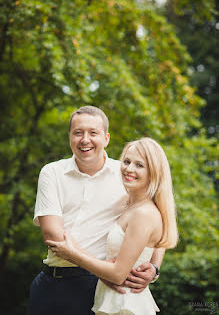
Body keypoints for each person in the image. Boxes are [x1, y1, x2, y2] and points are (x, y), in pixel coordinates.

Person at [27, 106, 166, 315]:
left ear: (106, 138)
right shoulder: (52, 172)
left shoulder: (127, 174)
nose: (85, 140)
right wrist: (105, 271)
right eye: (78, 132)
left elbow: (158, 217)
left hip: (103, 288)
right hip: (55, 285)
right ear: (70, 137)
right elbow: (53, 235)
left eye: (93, 133)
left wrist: (154, 267)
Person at [46, 137, 178, 315]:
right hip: (110, 299)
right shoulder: (130, 204)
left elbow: (118, 274)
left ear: (154, 172)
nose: (129, 169)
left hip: (126, 302)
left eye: (140, 165)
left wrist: (73, 255)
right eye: (127, 161)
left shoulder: (143, 213)